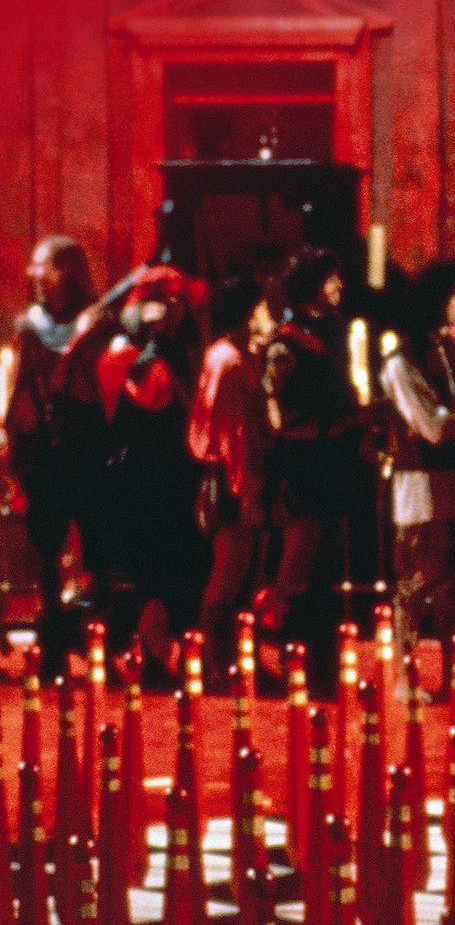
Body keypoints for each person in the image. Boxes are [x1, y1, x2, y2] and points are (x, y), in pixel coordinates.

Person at [92, 267, 206, 681]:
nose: (177, 311)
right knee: (151, 572)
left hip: (172, 477)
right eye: (167, 302)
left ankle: (154, 649)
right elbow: (141, 407)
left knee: (171, 570)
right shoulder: (131, 356)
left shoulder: (177, 352)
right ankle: (145, 651)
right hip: (145, 480)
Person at [1, 236, 105, 673]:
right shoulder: (31, 326)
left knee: (98, 547)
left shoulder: (96, 320)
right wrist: (17, 443)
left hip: (89, 444)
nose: (38, 277)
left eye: (46, 267)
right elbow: (21, 388)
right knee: (46, 547)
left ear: (69, 271)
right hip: (47, 449)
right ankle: (53, 643)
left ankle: (99, 637)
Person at [260, 247, 362, 690]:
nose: (339, 285)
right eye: (329, 278)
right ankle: (292, 654)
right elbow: (283, 413)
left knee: (328, 570)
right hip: (304, 465)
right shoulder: (287, 343)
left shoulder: (334, 331)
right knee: (299, 567)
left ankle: (325, 662)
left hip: (334, 463)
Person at [381, 261, 455, 647]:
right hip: (420, 491)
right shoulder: (402, 361)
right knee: (418, 585)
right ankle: (404, 669)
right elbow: (434, 427)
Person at [190, 278, 276, 673]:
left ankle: (232, 658)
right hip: (233, 479)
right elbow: (235, 433)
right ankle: (215, 660)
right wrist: (248, 490)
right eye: (261, 308)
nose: (268, 316)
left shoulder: (226, 355)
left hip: (229, 476)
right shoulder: (232, 362)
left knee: (238, 571)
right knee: (231, 571)